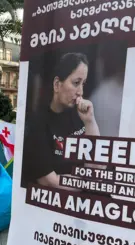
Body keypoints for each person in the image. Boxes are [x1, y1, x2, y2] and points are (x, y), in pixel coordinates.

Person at [22, 53, 101, 191]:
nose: (80, 92)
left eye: (83, 84)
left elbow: (98, 167)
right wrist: (88, 182)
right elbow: (49, 181)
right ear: (57, 84)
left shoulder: (80, 115)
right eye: (76, 83)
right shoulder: (38, 123)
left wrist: (90, 122)